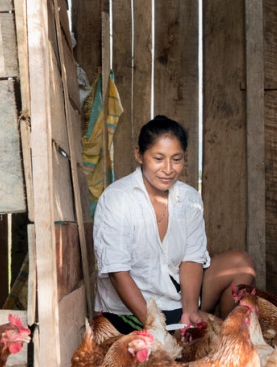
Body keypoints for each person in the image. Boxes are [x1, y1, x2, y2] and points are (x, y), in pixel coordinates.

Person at [92, 115, 256, 334]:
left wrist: (189, 310)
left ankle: (227, 336)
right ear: (139, 155)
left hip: (176, 300)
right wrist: (153, 325)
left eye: (176, 159)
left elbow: (191, 258)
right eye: (158, 158)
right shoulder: (118, 199)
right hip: (129, 310)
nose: (168, 169)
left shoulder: (189, 199)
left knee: (240, 263)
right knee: (199, 341)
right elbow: (117, 272)